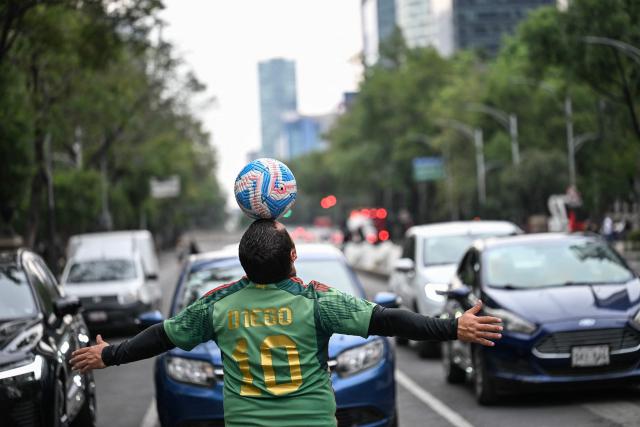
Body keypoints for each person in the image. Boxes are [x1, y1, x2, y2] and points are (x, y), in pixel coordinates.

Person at [71, 219, 503, 427]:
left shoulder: (217, 306)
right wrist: (452, 326)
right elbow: (390, 320)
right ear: (293, 258)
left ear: (243, 265)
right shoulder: (316, 300)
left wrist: (109, 354)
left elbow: (160, 336)